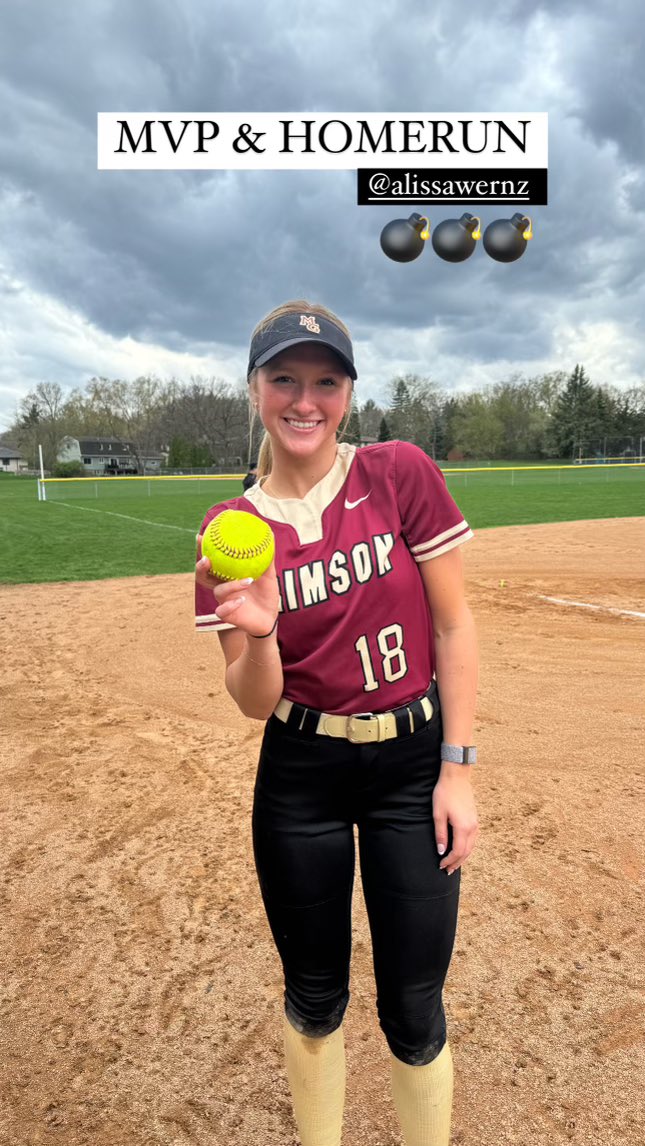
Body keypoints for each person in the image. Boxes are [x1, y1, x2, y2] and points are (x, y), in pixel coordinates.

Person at [194, 300, 479, 1146]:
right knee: (314, 996)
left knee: (413, 1003)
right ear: (255, 390)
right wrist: (261, 631)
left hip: (411, 765)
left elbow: (455, 626)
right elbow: (252, 701)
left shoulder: (398, 474)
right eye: (284, 378)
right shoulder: (230, 529)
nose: (304, 399)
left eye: (325, 380)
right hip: (301, 774)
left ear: (347, 392)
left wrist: (456, 770)